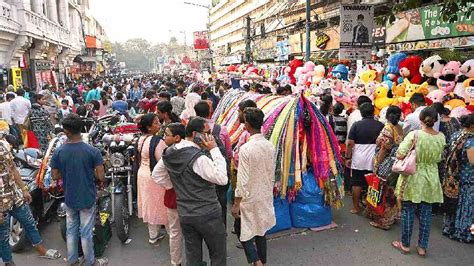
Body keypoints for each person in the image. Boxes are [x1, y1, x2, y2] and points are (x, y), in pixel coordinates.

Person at [152, 117, 227, 265]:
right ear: (194, 134)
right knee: (217, 253)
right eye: (207, 132)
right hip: (207, 212)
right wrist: (214, 150)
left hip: (185, 212)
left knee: (193, 255)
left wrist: (177, 186)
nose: (210, 137)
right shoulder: (198, 158)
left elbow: (157, 175)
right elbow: (222, 178)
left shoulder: (170, 152)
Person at [50, 114, 107, 266]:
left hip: (69, 196)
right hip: (88, 196)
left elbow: (54, 175)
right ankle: (90, 262)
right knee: (86, 232)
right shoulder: (93, 151)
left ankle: (73, 261)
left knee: (71, 230)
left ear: (67, 131)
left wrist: (68, 171)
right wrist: (87, 171)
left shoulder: (59, 152)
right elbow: (101, 176)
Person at [392, 107, 445, 256]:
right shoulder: (441, 137)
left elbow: (400, 154)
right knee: (426, 213)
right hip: (431, 177)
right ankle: (422, 247)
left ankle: (405, 244)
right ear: (435, 121)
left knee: (408, 211)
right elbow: (440, 157)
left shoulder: (414, 135)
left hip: (413, 176)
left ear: (420, 119)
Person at [0, 139, 61, 265]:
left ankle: (41, 250)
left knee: (29, 222)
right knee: (3, 235)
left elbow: (13, 169)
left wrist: (23, 189)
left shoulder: (4, 145)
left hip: (14, 195)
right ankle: (8, 262)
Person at [232, 107, 276, 266]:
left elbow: (242, 180)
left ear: (247, 124)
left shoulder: (246, 149)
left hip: (249, 196)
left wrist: (236, 203)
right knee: (260, 231)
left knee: (242, 230)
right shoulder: (269, 145)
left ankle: (256, 261)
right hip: (264, 193)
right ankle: (261, 262)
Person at [194, 101, 232, 226]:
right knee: (221, 201)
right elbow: (228, 152)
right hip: (220, 169)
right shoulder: (222, 129)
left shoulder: (193, 131)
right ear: (210, 112)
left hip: (203, 173)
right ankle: (222, 227)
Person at [368, 106, 404, 230]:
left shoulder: (387, 129)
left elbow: (384, 148)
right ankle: (392, 216)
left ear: (387, 115)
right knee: (392, 191)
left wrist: (377, 163)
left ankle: (383, 220)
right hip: (397, 163)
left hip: (386, 163)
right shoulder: (400, 128)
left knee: (382, 191)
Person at [346, 102, 384, 214]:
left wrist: (348, 157)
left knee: (356, 183)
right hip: (375, 158)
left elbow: (349, 143)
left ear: (361, 113)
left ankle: (356, 207)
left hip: (359, 158)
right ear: (373, 112)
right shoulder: (380, 125)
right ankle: (370, 210)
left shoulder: (356, 125)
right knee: (373, 183)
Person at [136, 113, 168, 244]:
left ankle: (153, 235)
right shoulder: (157, 141)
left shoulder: (141, 139)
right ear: (149, 127)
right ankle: (172, 232)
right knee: (162, 204)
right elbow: (162, 162)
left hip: (142, 174)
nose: (159, 124)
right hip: (154, 176)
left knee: (150, 205)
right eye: (155, 123)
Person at [156, 123, 185, 266]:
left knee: (175, 232)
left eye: (166, 134)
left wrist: (171, 186)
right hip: (189, 198)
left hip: (174, 198)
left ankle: (176, 262)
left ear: (177, 137)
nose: (164, 137)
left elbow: (156, 175)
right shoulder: (192, 151)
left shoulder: (168, 154)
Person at [442, 114, 474, 243]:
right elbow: (472, 161)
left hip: (453, 177)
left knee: (453, 203)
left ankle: (448, 228)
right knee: (466, 205)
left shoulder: (457, 135)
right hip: (467, 178)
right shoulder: (471, 141)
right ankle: (463, 231)